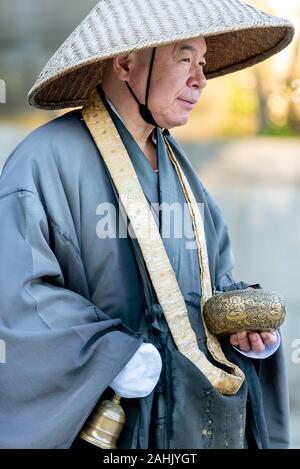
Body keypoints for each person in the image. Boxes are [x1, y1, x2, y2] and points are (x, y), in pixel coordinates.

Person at [0, 0, 295, 449]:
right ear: (124, 62)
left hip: (187, 420)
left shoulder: (182, 171)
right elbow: (18, 299)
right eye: (184, 59)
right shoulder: (44, 161)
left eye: (203, 63)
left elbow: (213, 281)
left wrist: (241, 326)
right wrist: (109, 355)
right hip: (105, 420)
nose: (200, 81)